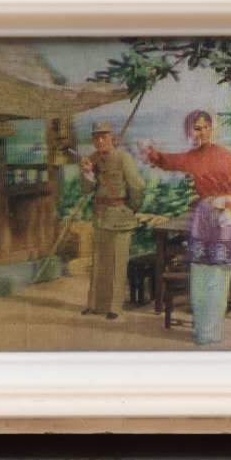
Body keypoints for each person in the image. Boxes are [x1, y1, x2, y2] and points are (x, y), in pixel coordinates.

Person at [142, 110, 231, 344]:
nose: (202, 132)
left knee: (218, 274)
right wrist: (151, 154)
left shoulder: (226, 155)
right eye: (197, 128)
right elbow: (169, 161)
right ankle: (203, 330)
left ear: (212, 129)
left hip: (224, 216)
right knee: (199, 273)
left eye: (206, 127)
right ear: (189, 131)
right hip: (202, 216)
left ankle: (212, 331)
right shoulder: (191, 157)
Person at [79, 122, 145, 321]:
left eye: (104, 136)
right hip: (101, 216)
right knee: (99, 262)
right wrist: (88, 172)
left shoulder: (123, 158)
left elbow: (137, 186)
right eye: (96, 137)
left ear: (112, 138)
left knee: (117, 263)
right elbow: (86, 190)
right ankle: (95, 305)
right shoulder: (92, 159)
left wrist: (131, 208)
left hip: (120, 217)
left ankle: (114, 307)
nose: (100, 140)